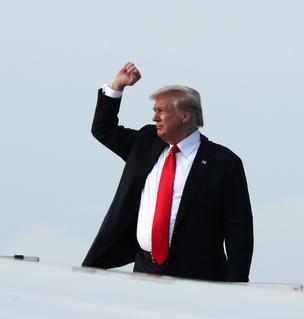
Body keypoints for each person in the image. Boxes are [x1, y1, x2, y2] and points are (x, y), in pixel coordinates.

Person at [82, 62, 254, 282]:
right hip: (145, 270)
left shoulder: (224, 163)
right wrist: (117, 87)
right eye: (155, 111)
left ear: (185, 116)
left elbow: (239, 233)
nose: (155, 118)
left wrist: (235, 285)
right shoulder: (145, 143)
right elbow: (103, 130)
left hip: (198, 277)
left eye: (161, 111)